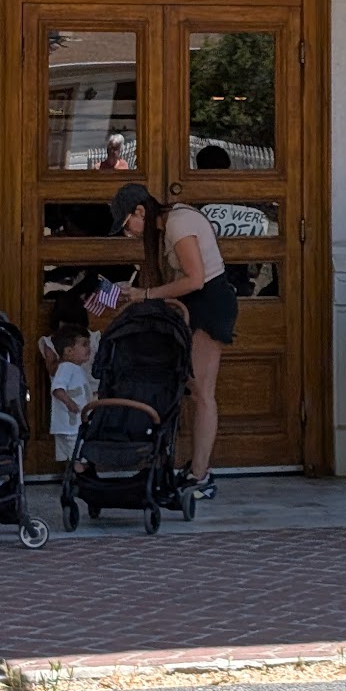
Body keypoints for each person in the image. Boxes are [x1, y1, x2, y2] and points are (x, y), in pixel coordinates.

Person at [109, 181, 235, 500]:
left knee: (202, 391)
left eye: (127, 225)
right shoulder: (167, 226)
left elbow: (195, 279)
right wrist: (136, 293)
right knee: (187, 387)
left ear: (140, 211)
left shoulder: (179, 223)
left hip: (209, 304)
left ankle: (201, 476)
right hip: (194, 305)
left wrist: (147, 295)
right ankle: (189, 466)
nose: (129, 233)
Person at [49, 325, 94, 463]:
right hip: (71, 425)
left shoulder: (76, 369)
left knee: (75, 455)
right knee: (78, 457)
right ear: (69, 351)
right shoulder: (66, 367)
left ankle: (73, 477)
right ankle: (80, 478)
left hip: (73, 425)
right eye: (84, 345)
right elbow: (57, 389)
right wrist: (69, 402)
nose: (89, 348)